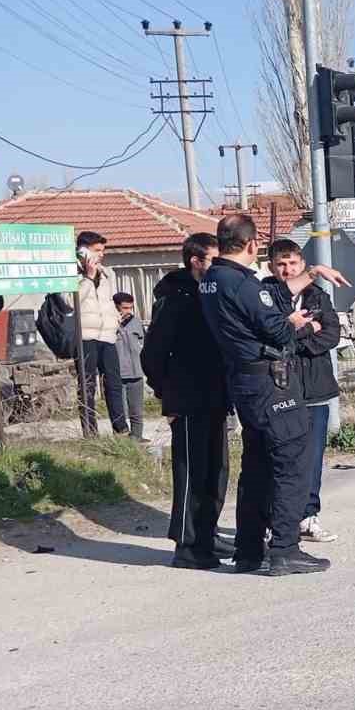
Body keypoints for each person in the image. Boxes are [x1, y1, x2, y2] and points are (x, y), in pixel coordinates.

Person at [200, 214, 328, 576]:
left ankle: (249, 549)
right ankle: (286, 548)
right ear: (253, 245)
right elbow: (277, 331)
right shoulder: (244, 284)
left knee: (255, 468)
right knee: (291, 464)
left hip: (244, 382)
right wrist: (300, 325)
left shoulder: (211, 279)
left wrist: (310, 275)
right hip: (270, 383)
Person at [143, 233, 233, 570]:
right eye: (213, 259)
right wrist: (167, 393)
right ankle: (187, 544)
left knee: (217, 471)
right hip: (188, 399)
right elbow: (152, 354)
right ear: (196, 261)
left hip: (214, 397)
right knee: (192, 473)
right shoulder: (176, 297)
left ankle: (206, 535)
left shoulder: (207, 294)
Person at [265, 239, 342, 544]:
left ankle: (308, 517)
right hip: (279, 392)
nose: (287, 270)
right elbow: (270, 339)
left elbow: (332, 335)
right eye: (281, 264)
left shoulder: (317, 296)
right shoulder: (267, 297)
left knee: (312, 458)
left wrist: (294, 340)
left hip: (315, 391)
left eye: (293, 264)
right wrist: (308, 330)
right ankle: (277, 520)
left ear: (301, 264)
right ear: (272, 266)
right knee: (280, 460)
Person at [75, 231, 128, 437]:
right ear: (83, 251)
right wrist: (88, 278)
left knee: (114, 382)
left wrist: (115, 319)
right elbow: (73, 302)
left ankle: (120, 428)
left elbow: (108, 302)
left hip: (107, 335)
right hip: (85, 336)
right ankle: (90, 431)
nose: (101, 255)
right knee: (87, 385)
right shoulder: (74, 272)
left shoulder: (106, 273)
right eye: (97, 251)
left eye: (102, 251)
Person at [112, 292, 147, 441]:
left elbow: (144, 343)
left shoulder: (136, 323)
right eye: (124, 308)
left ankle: (137, 437)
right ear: (116, 307)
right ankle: (120, 439)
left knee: (136, 409)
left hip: (136, 372)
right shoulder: (110, 324)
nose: (128, 311)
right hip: (116, 373)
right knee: (119, 410)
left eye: (130, 308)